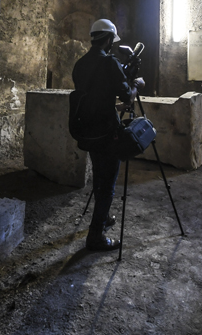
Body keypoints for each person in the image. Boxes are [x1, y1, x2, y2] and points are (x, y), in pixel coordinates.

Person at [71, 18, 139, 251]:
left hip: (88, 132)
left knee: (100, 178)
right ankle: (96, 236)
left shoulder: (80, 65)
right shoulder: (110, 63)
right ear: (109, 40)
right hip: (107, 133)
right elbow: (127, 97)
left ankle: (104, 216)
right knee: (108, 185)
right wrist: (136, 84)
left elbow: (96, 98)